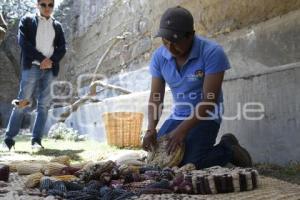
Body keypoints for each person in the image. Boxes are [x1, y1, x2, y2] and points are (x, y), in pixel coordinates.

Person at [142, 6, 252, 169]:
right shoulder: (159, 57)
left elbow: (209, 101)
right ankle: (200, 147)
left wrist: (181, 131)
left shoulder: (212, 52)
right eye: (165, 42)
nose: (170, 49)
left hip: (207, 115)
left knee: (190, 162)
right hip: (178, 114)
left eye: (176, 42)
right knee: (162, 160)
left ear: (191, 35)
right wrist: (151, 129)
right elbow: (156, 97)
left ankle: (229, 149)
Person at [2, 0, 66, 150]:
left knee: (43, 106)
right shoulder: (27, 20)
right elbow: (23, 43)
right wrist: (41, 59)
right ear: (37, 5)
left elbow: (63, 47)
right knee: (22, 102)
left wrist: (51, 60)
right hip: (31, 67)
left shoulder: (57, 25)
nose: (47, 8)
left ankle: (36, 141)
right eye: (43, 4)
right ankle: (9, 140)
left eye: (50, 5)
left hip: (50, 69)